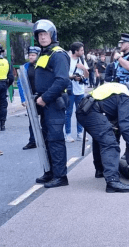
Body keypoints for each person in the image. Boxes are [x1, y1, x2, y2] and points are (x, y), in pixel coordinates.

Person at [76, 81, 129, 193]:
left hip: (85, 109)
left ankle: (100, 169)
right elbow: (126, 126)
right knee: (110, 144)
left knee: (101, 137)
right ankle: (112, 181)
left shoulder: (118, 87)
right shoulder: (126, 97)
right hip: (92, 112)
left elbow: (108, 107)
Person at [33, 19, 71, 188]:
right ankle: (50, 172)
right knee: (47, 139)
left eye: (45, 34)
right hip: (44, 103)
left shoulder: (58, 54)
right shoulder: (45, 53)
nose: (42, 37)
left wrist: (44, 98)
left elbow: (62, 81)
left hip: (53, 103)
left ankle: (60, 176)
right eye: (39, 35)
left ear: (52, 35)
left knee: (55, 140)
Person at [17, 46, 41, 149]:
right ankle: (32, 141)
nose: (30, 57)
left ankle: (45, 140)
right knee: (32, 121)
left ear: (38, 56)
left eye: (33, 55)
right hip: (31, 98)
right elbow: (20, 83)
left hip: (43, 97)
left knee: (46, 120)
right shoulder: (25, 67)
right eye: (30, 55)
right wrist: (23, 99)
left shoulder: (42, 66)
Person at [65, 42, 89, 143]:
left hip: (80, 90)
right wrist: (73, 77)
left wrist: (83, 68)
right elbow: (63, 74)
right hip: (70, 90)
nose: (83, 52)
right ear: (76, 51)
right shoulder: (67, 60)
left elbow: (87, 76)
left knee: (80, 112)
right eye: (81, 50)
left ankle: (80, 133)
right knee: (68, 113)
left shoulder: (82, 60)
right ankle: (68, 134)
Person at [0, 43, 14, 131]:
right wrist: (7, 85)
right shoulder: (6, 62)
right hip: (3, 84)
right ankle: (2, 124)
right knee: (3, 104)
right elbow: (11, 77)